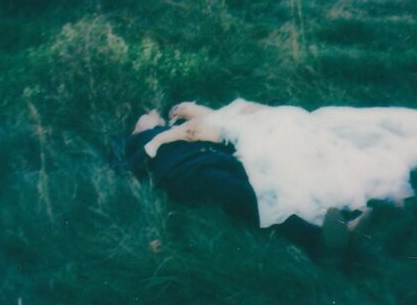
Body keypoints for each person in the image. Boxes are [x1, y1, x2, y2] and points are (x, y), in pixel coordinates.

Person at [143, 98, 417, 230]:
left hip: (268, 126)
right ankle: (367, 195)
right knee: (301, 156)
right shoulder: (206, 126)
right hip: (264, 129)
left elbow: (255, 112)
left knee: (302, 152)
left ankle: (362, 197)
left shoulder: (219, 116)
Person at [116, 109, 331, 258]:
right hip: (190, 171)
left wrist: (211, 136)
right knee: (247, 196)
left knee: (273, 186)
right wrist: (161, 139)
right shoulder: (131, 143)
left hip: (220, 158)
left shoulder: (176, 127)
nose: (154, 115)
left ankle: (333, 222)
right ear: (136, 126)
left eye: (157, 116)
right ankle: (320, 243)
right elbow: (125, 170)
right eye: (148, 114)